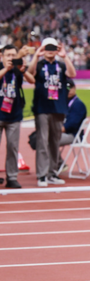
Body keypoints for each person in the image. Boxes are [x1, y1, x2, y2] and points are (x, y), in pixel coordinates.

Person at [27, 37, 77, 187]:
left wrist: (64, 55)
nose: (50, 51)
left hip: (59, 108)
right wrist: (36, 55)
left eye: (52, 48)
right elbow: (29, 75)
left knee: (54, 142)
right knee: (42, 141)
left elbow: (72, 74)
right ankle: (42, 175)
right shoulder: (39, 64)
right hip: (42, 107)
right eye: (47, 48)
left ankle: (52, 173)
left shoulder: (61, 65)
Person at [0, 45, 35, 189]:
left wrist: (22, 69)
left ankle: (12, 177)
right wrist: (5, 69)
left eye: (13, 55)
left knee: (13, 147)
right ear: (1, 56)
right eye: (8, 55)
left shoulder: (17, 69)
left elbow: (31, 80)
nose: (10, 58)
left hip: (14, 115)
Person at [59, 79, 87, 154]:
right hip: (62, 132)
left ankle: (59, 164)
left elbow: (72, 124)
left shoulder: (78, 104)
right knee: (40, 138)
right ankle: (53, 163)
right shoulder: (62, 103)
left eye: (71, 88)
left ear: (75, 88)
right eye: (66, 88)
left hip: (73, 135)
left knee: (49, 140)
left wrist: (56, 130)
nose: (69, 90)